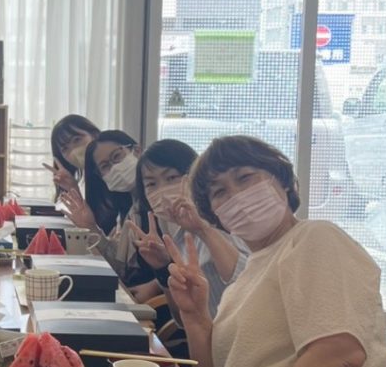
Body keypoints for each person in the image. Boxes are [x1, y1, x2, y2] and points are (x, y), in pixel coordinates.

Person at [166, 135, 386, 367]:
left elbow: (337, 356)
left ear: (283, 182)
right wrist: (195, 317)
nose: (236, 196)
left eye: (245, 177)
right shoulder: (249, 274)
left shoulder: (316, 238)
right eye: (220, 192)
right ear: (216, 215)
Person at [127, 139, 248, 320]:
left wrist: (203, 230)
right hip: (207, 335)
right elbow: (182, 319)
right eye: (151, 184)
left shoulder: (226, 221)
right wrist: (162, 268)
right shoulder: (179, 235)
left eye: (172, 178)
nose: (163, 190)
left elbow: (249, 284)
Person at [60, 130, 156, 293]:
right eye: (105, 166)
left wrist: (156, 286)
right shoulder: (129, 208)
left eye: (117, 156)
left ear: (137, 150)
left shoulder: (161, 202)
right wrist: (90, 227)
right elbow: (119, 267)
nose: (115, 167)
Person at [48, 114, 102, 213]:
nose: (73, 150)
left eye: (77, 140)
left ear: (94, 135)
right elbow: (90, 220)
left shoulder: (112, 172)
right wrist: (73, 188)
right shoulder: (87, 178)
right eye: (65, 149)